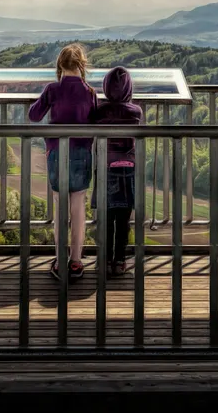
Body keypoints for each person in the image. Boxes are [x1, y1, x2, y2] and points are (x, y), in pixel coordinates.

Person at [27, 43, 96, 281]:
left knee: (59, 208)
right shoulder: (89, 92)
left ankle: (59, 260)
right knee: (78, 208)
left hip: (56, 153)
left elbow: (34, 115)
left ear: (60, 65)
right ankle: (76, 261)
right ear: (82, 65)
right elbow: (95, 121)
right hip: (82, 153)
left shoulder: (52, 89)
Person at [90, 67, 142, 276]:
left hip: (106, 168)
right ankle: (120, 260)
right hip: (129, 169)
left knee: (105, 219)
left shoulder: (100, 111)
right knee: (123, 220)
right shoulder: (136, 112)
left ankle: (104, 260)